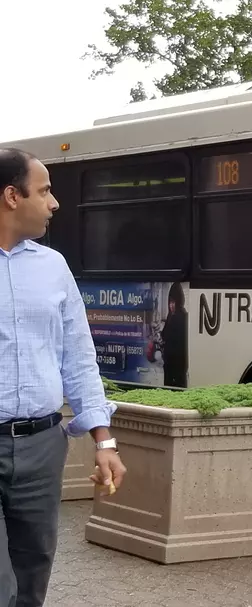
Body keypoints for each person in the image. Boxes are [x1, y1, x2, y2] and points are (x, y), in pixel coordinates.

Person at [0, 148, 126, 607]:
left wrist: (104, 441)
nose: (54, 203)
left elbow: (78, 356)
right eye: (46, 190)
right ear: (12, 196)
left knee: (32, 579)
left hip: (40, 446)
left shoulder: (53, 267)